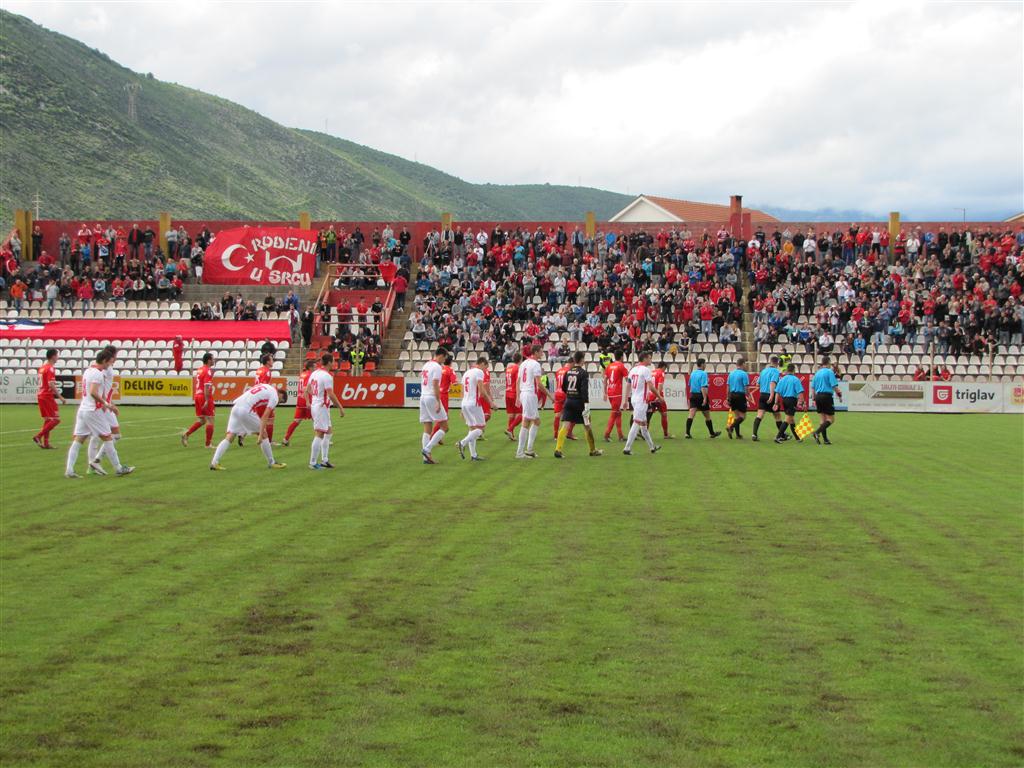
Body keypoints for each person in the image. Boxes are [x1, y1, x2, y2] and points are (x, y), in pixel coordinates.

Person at [65, 349, 134, 478]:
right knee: (108, 438)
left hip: (83, 409)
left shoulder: (88, 370)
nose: (110, 364)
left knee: (79, 439)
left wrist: (109, 404)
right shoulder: (97, 374)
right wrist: (107, 404)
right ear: (104, 361)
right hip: (93, 410)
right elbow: (93, 392)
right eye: (109, 362)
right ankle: (118, 468)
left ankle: (69, 470)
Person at [210, 383, 287, 470]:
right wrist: (261, 435)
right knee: (264, 434)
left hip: (235, 407)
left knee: (230, 436)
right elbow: (265, 416)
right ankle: (272, 462)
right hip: (246, 410)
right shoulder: (275, 397)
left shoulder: (265, 386)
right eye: (281, 401)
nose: (278, 403)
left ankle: (214, 462)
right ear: (281, 395)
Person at [554, 351, 603, 459]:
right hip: (579, 402)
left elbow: (563, 388)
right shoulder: (583, 373)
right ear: (581, 359)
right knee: (587, 426)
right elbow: (584, 390)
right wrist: (586, 405)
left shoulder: (568, 372)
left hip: (569, 401)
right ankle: (592, 450)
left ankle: (558, 449)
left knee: (565, 425)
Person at [88, 346, 125, 474]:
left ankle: (95, 462)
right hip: (103, 406)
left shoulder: (105, 368)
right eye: (115, 355)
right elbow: (101, 387)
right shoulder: (105, 370)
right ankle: (96, 461)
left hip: (105, 404)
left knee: (100, 435)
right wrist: (106, 403)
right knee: (110, 435)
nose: (116, 358)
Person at [306, 353, 345, 469]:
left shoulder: (315, 373)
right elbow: (331, 394)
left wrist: (316, 395)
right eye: (333, 361)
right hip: (321, 407)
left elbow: (308, 388)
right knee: (320, 434)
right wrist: (340, 407)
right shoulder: (327, 376)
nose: (334, 363)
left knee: (328, 432)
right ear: (329, 362)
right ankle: (312, 463)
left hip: (318, 405)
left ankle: (325, 460)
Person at [622, 351, 661, 455]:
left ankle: (652, 447)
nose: (650, 360)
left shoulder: (633, 369)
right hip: (641, 400)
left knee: (643, 425)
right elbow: (651, 386)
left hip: (634, 399)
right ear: (644, 359)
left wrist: (626, 400)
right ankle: (627, 448)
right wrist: (659, 396)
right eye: (649, 358)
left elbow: (628, 385)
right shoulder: (646, 370)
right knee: (636, 423)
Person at [515, 344, 548, 459]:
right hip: (529, 394)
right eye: (541, 351)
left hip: (525, 394)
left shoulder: (523, 363)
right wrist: (549, 395)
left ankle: (529, 449)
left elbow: (517, 382)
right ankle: (520, 452)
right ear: (536, 352)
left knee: (536, 421)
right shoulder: (536, 364)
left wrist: (518, 397)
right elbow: (539, 383)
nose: (542, 353)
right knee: (526, 422)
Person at [455, 356, 492, 461]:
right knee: (480, 428)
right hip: (474, 403)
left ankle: (473, 455)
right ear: (482, 364)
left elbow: (462, 391)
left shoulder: (467, 373)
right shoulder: (479, 372)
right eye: (486, 367)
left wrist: (462, 408)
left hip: (465, 403)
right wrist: (491, 403)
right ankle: (462, 443)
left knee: (472, 429)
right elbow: (481, 389)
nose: (485, 370)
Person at [419, 347, 450, 464]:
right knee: (445, 427)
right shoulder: (437, 367)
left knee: (427, 427)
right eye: (445, 357)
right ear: (441, 356)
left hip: (423, 396)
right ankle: (427, 449)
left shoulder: (426, 365)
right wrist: (438, 401)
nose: (444, 360)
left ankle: (426, 458)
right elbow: (436, 384)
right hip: (431, 397)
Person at [181, 352, 216, 447]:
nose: (214, 361)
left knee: (202, 420)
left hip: (197, 395)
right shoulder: (208, 370)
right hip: (204, 396)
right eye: (213, 359)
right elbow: (206, 386)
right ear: (209, 360)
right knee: (210, 419)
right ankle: (208, 444)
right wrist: (207, 400)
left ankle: (186, 434)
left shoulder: (200, 369)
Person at [34, 347, 65, 449]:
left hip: (41, 395)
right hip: (47, 396)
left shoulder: (42, 367)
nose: (57, 357)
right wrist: (60, 397)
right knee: (56, 419)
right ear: (53, 356)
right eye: (57, 355)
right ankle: (38, 436)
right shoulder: (50, 368)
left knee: (48, 420)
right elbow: (51, 384)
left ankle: (46, 443)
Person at [685, 358, 721, 439]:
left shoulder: (693, 373)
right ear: (702, 364)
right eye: (705, 364)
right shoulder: (704, 373)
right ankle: (712, 433)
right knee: (707, 416)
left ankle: (687, 433)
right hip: (700, 395)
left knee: (691, 414)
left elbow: (689, 385)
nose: (705, 365)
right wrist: (705, 398)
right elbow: (703, 387)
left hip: (693, 395)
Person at [283, 359, 316, 446]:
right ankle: (321, 439)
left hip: (300, 401)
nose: (316, 368)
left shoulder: (302, 374)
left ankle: (285, 439)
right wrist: (309, 400)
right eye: (315, 366)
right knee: (316, 420)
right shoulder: (309, 375)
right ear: (311, 367)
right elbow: (305, 389)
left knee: (296, 421)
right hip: (307, 401)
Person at [810, 356, 842, 445]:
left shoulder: (817, 373)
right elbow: (834, 386)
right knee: (831, 419)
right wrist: (839, 395)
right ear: (828, 362)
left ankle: (825, 440)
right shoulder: (829, 372)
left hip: (818, 396)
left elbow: (812, 387)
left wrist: (813, 398)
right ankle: (817, 432)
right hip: (826, 396)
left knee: (822, 419)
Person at [751, 355, 783, 442]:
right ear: (777, 363)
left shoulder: (763, 371)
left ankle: (754, 434)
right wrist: (772, 396)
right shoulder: (776, 371)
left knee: (760, 415)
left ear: (770, 362)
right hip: (770, 394)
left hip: (762, 394)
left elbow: (757, 384)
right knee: (777, 415)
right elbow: (772, 383)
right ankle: (782, 435)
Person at [774, 364, 805, 443]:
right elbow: (800, 392)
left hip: (784, 400)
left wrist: (776, 403)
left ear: (787, 370)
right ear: (794, 370)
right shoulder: (796, 379)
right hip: (792, 400)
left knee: (791, 420)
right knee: (788, 419)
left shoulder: (782, 379)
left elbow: (777, 392)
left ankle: (797, 438)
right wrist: (802, 402)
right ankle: (778, 437)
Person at [603, 350, 629, 442]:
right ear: (622, 357)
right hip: (617, 393)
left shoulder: (609, 366)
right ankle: (606, 434)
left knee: (618, 413)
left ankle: (620, 435)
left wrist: (605, 392)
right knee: (614, 413)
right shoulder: (621, 366)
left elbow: (605, 379)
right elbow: (628, 380)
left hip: (610, 391)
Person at [551, 361, 577, 441]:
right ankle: (569, 433)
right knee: (575, 414)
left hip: (558, 393)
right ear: (572, 363)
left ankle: (555, 435)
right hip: (566, 394)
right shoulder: (570, 371)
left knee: (557, 415)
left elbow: (557, 382)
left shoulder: (558, 371)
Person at [252, 353, 275, 443]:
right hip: (262, 397)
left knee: (258, 418)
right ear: (268, 362)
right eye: (271, 359)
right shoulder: (267, 371)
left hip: (256, 397)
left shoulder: (259, 370)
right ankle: (269, 441)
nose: (273, 361)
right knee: (270, 419)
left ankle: (242, 433)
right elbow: (264, 386)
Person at [725, 357, 750, 439]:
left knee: (736, 416)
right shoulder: (744, 374)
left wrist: (728, 398)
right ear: (743, 364)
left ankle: (738, 435)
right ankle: (730, 427)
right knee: (742, 416)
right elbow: (746, 387)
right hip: (740, 395)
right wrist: (748, 396)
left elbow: (728, 387)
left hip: (732, 395)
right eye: (745, 364)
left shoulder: (731, 374)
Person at [651, 361, 673, 438]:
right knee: (664, 414)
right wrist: (659, 396)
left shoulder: (652, 372)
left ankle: (643, 432)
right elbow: (660, 385)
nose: (665, 370)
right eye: (665, 368)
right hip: (658, 396)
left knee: (648, 415)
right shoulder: (661, 373)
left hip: (650, 395)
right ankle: (666, 434)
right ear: (663, 367)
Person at [503, 352, 522, 440]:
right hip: (514, 393)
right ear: (520, 360)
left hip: (507, 393)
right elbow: (518, 382)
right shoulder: (518, 368)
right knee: (522, 414)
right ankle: (510, 429)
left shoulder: (508, 368)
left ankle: (511, 434)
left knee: (511, 415)